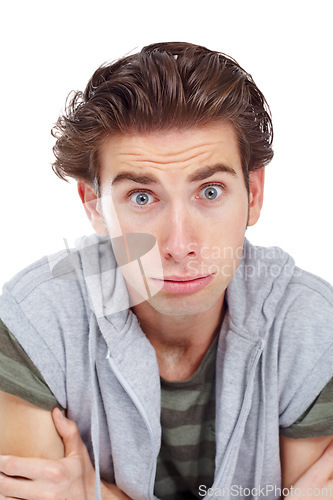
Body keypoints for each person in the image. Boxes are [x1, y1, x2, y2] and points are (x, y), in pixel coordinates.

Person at [0, 41, 332, 500]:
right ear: (95, 209)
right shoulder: (34, 322)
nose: (179, 245)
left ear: (253, 195)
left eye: (210, 192)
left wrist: (97, 495)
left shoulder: (313, 328)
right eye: (142, 197)